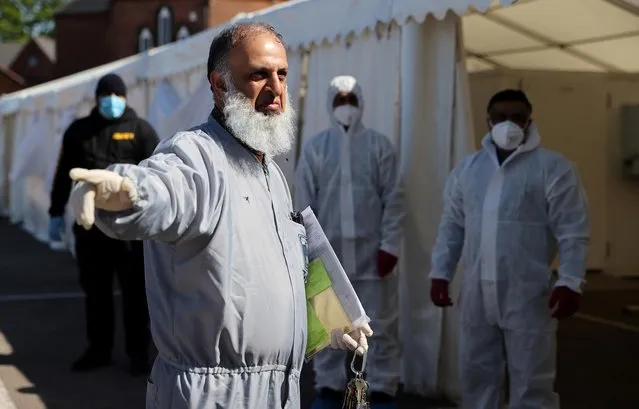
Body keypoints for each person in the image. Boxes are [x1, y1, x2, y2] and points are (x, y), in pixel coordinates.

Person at [66, 22, 373, 409]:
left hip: (279, 393)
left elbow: (274, 274)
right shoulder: (197, 156)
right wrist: (128, 191)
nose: (276, 89)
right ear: (220, 84)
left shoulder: (273, 174)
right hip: (213, 396)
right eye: (258, 75)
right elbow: (167, 189)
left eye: (282, 74)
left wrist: (332, 316)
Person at [429, 89, 589, 409]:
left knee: (532, 381)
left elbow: (572, 230)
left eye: (517, 117)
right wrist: (440, 272)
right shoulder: (469, 170)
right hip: (476, 294)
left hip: (527, 294)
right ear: (488, 122)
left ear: (529, 122)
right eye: (500, 117)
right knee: (476, 377)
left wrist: (570, 281)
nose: (508, 123)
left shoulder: (553, 169)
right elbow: (452, 228)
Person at [295, 75, 403, 409]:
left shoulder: (379, 146)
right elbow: (303, 203)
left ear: (361, 103)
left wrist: (391, 245)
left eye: (351, 100)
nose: (346, 107)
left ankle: (382, 388)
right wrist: (305, 251)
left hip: (372, 256)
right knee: (330, 324)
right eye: (340, 100)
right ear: (330, 105)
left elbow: (394, 200)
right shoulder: (316, 147)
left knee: (380, 327)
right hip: (331, 257)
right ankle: (328, 388)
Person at [48, 73, 159, 375]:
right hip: (91, 228)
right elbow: (63, 174)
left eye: (116, 95)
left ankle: (138, 354)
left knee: (135, 294)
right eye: (106, 96)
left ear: (125, 97)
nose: (111, 101)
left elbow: (158, 177)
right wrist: (55, 211)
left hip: (130, 233)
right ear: (97, 99)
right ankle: (98, 350)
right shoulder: (79, 131)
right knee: (95, 292)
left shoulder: (141, 131)